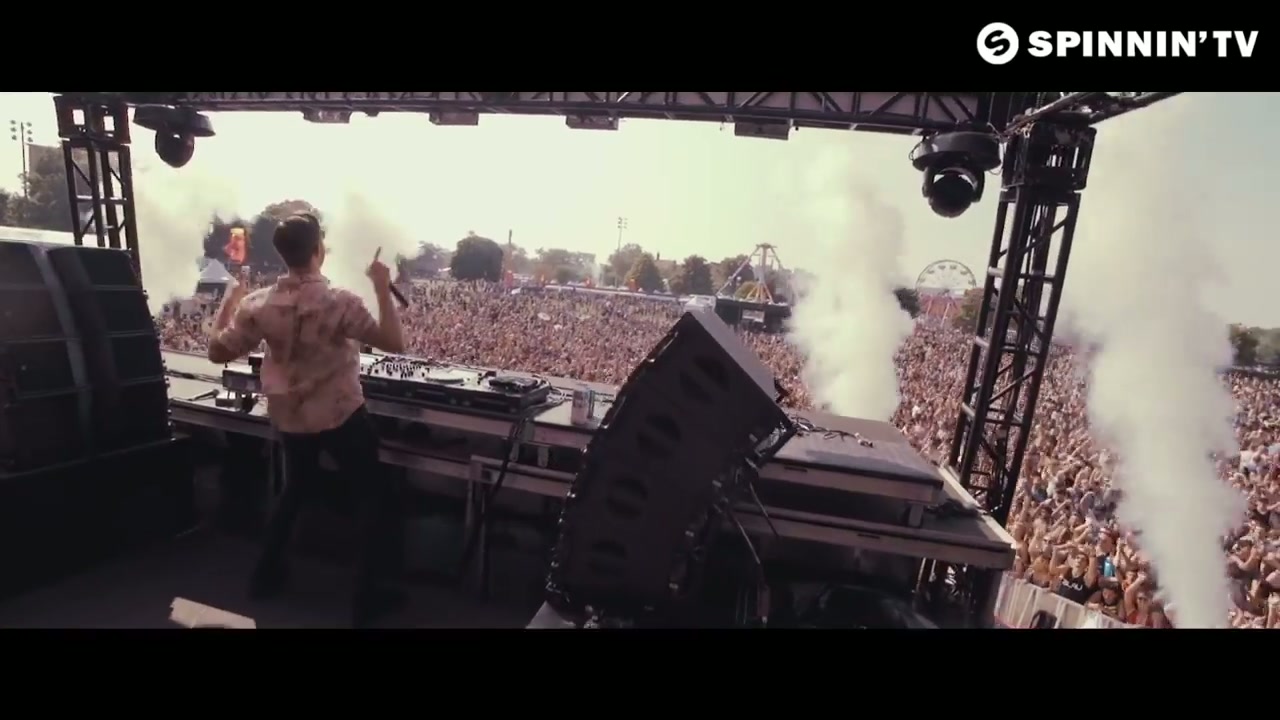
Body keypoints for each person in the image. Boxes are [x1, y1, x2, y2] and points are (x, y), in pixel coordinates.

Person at [206, 212, 407, 627]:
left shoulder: (257, 304)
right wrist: (381, 287)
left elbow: (217, 352)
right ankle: (368, 597)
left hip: (290, 416)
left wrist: (229, 300)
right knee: (372, 496)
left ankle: (265, 575)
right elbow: (394, 342)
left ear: (283, 253)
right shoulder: (340, 302)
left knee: (295, 488)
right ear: (318, 250)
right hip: (340, 413)